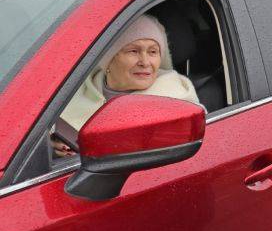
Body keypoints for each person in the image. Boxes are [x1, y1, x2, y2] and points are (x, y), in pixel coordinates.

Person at [55, 14, 201, 155]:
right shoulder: (74, 90)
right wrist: (55, 147)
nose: (145, 62)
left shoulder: (176, 98)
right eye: (133, 51)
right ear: (109, 58)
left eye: (152, 52)